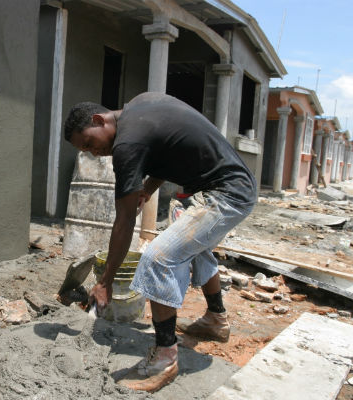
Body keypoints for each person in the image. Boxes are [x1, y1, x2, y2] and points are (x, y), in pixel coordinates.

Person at [63, 92, 256, 392]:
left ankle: (165, 357)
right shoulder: (140, 105)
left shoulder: (126, 145)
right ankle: (216, 320)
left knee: (158, 257)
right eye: (86, 151)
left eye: (89, 143)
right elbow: (168, 149)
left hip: (228, 194)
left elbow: (125, 219)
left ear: (99, 120)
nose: (94, 153)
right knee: (191, 244)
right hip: (229, 183)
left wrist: (106, 280)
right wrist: (149, 187)